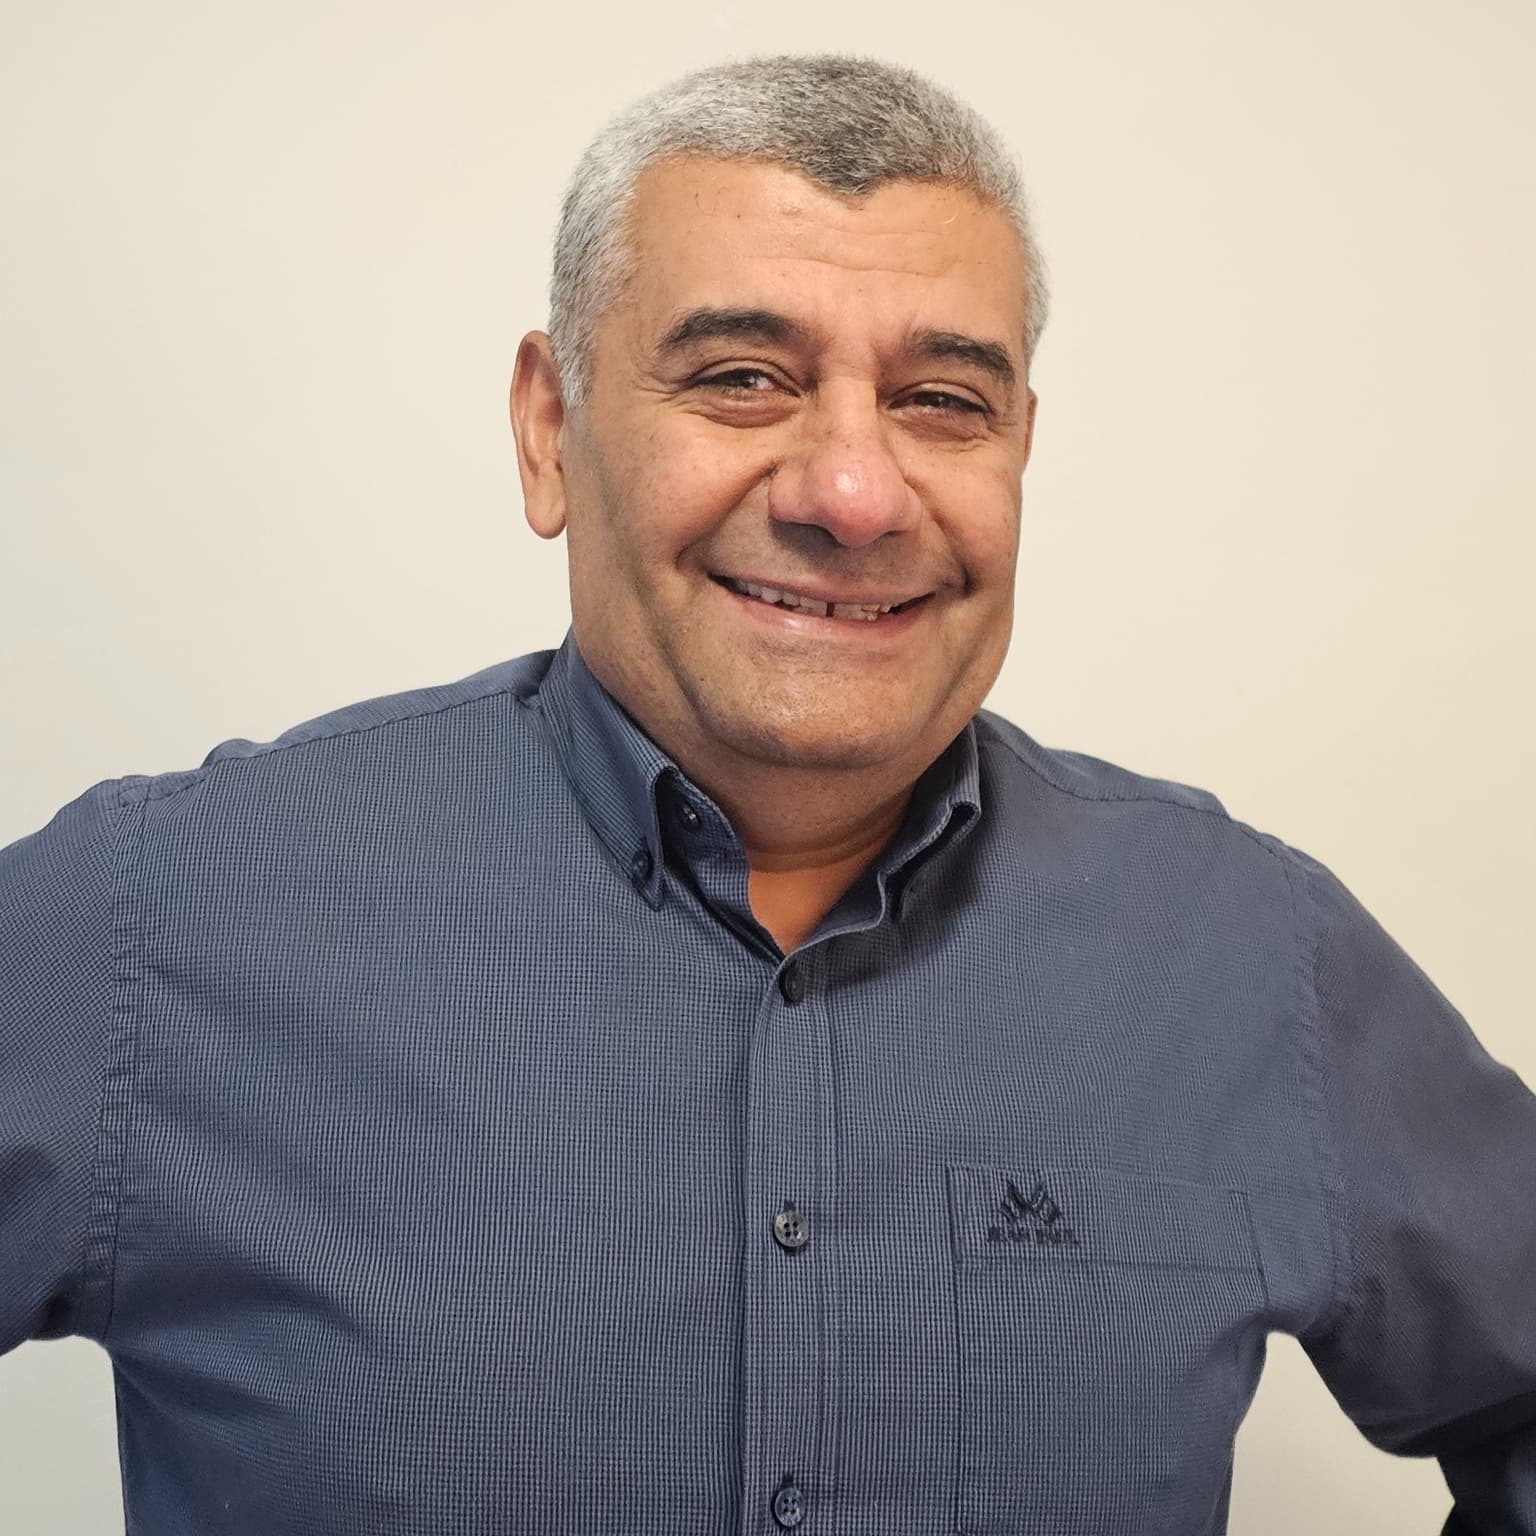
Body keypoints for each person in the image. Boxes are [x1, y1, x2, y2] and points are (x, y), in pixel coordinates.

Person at [1, 51, 1531, 1536]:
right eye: (741, 379)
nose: (854, 493)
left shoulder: (1245, 952)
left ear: (1020, 448)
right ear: (549, 429)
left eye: (943, 400)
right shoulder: (156, 920)